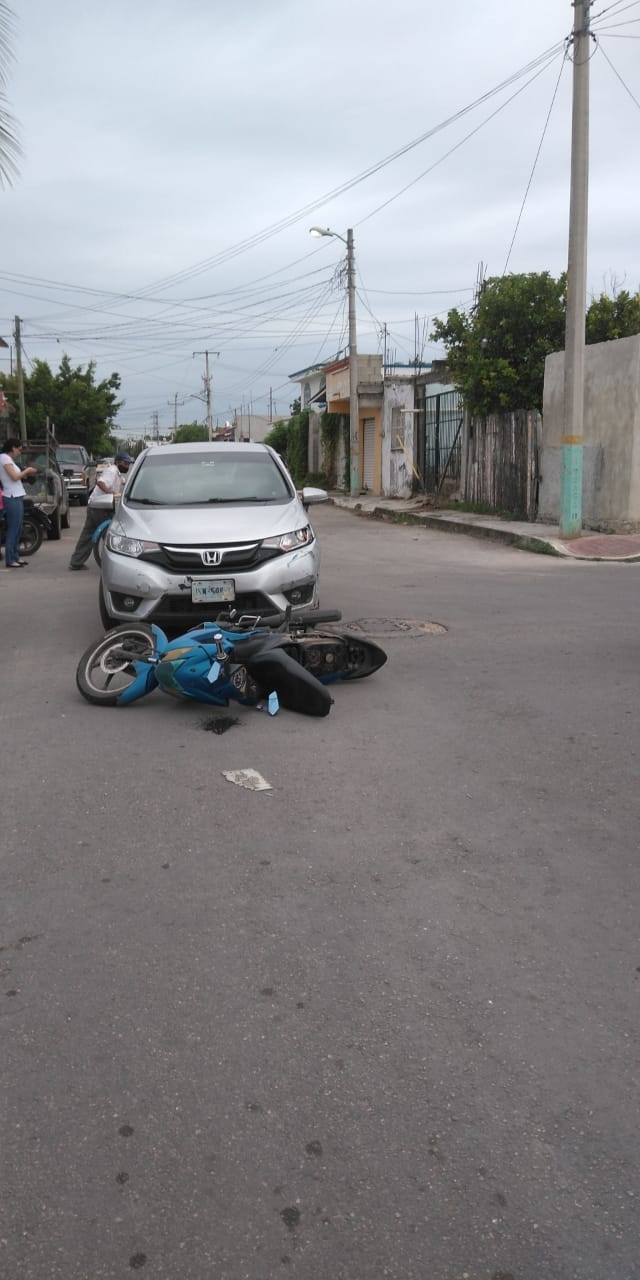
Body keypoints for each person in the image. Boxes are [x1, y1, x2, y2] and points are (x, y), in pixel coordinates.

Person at [69, 451, 134, 570]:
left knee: (87, 535)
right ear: (118, 462)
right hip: (101, 508)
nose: (127, 466)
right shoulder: (112, 471)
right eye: (125, 463)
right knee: (110, 536)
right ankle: (114, 564)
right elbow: (100, 482)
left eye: (129, 464)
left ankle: (76, 562)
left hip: (96, 506)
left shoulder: (117, 473)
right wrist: (112, 494)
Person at [0, 439, 38, 569]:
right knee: (13, 528)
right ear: (12, 448)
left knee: (18, 528)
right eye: (19, 449)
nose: (19, 452)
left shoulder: (8, 459)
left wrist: (26, 474)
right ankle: (10, 559)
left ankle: (15, 556)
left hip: (16, 495)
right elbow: (14, 477)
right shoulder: (4, 459)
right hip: (11, 496)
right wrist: (27, 471)